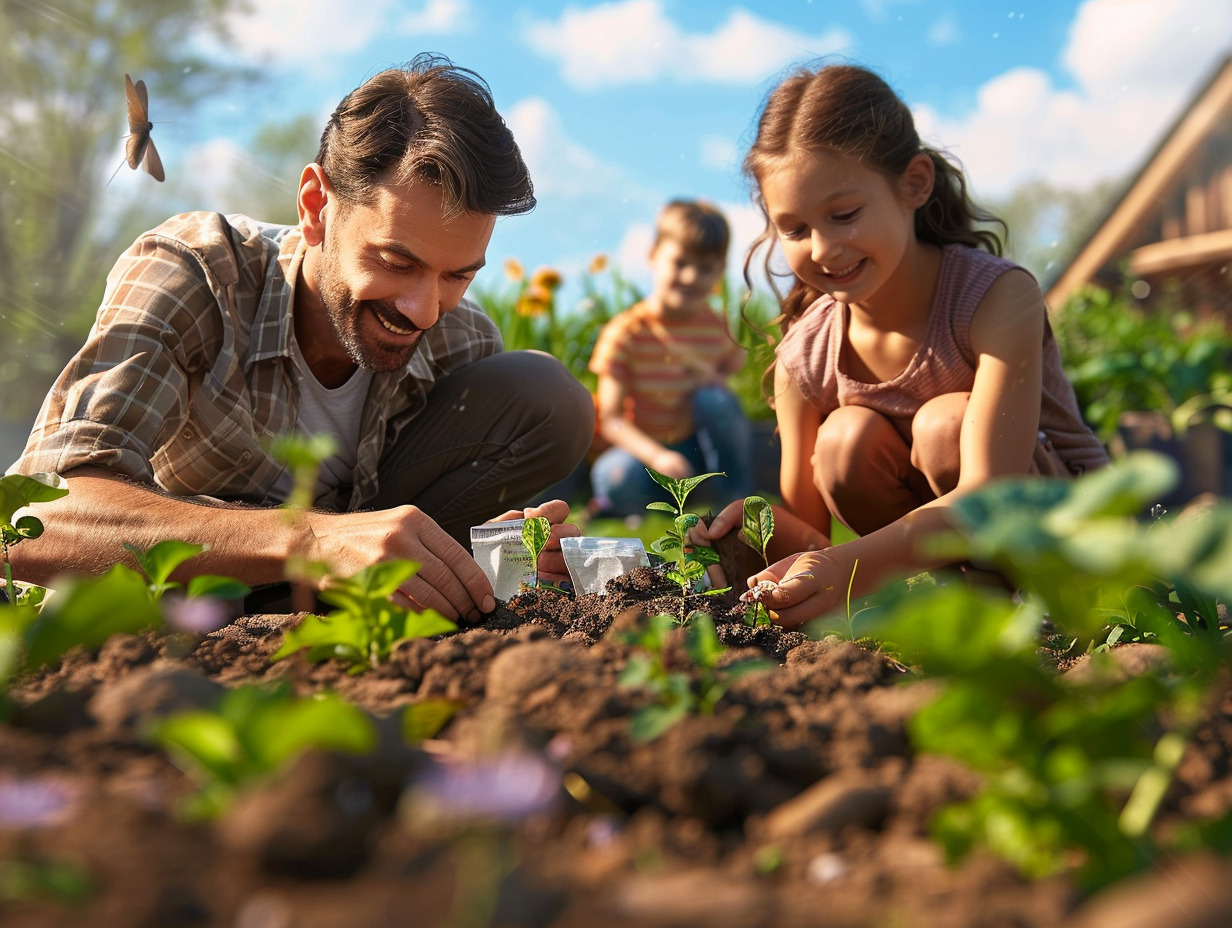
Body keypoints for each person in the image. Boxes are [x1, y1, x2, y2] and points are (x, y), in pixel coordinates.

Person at [6, 54, 594, 623]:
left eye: (458, 274)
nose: (424, 310)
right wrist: (313, 539)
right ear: (316, 206)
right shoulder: (196, 274)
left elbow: (414, 524)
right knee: (114, 608)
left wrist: (497, 558)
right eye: (395, 261)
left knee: (544, 393)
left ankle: (351, 599)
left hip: (338, 585)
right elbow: (34, 521)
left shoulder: (458, 338)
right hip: (189, 581)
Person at [693, 62, 1108, 626]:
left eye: (844, 215)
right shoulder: (805, 355)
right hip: (942, 562)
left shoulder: (995, 297)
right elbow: (812, 535)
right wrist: (753, 532)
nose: (822, 249)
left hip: (1067, 533)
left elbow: (991, 493)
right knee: (845, 437)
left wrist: (848, 570)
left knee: (944, 427)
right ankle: (951, 608)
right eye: (793, 229)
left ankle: (1033, 616)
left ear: (914, 184)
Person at [588, 199, 753, 517]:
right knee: (615, 477)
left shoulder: (716, 326)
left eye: (704, 268)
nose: (691, 277)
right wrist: (657, 456)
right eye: (680, 263)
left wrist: (712, 379)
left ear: (719, 270)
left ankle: (734, 495)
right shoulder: (627, 332)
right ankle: (643, 508)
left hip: (697, 451)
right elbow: (611, 419)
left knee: (716, 400)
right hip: (645, 454)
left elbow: (731, 373)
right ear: (653, 256)